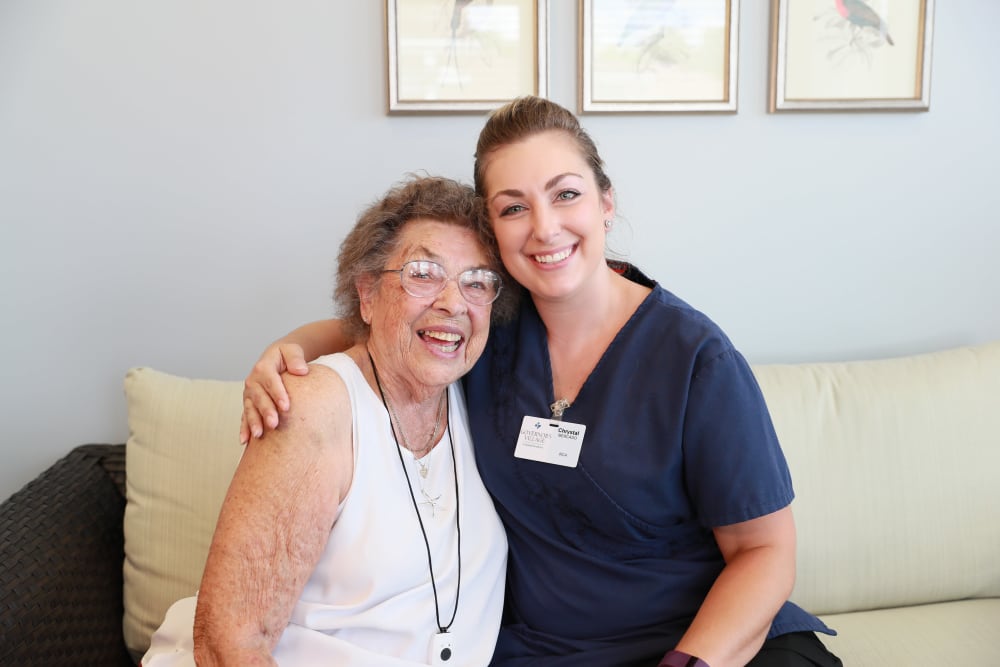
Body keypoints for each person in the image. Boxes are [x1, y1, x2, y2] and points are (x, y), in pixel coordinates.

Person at [240, 97, 842, 667]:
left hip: (702, 647)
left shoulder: (695, 360)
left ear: (606, 203)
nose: (545, 228)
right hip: (538, 653)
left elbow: (765, 553)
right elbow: (380, 327)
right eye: (513, 207)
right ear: (494, 234)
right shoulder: (484, 331)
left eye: (566, 195)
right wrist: (286, 353)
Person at [142, 176, 515, 667]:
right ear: (367, 293)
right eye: (423, 273)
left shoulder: (476, 388)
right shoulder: (317, 406)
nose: (452, 302)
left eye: (476, 281)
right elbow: (229, 644)